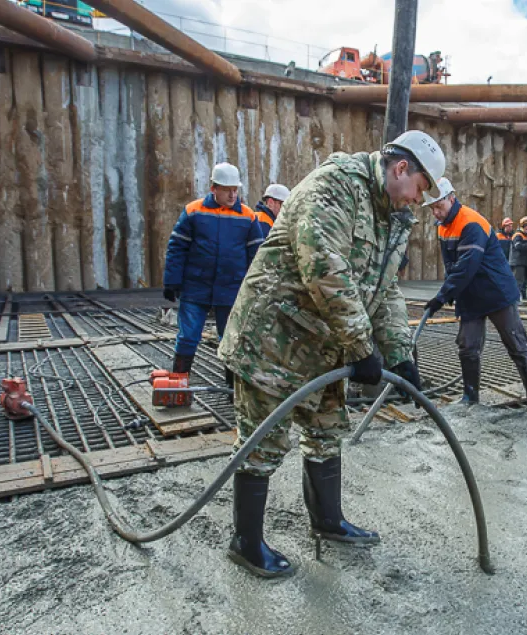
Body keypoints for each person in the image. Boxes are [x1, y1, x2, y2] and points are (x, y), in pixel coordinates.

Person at [217, 129, 444, 578]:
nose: (417, 200)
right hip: (273, 339)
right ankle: (245, 543)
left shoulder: (391, 218)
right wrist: (362, 347)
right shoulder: (337, 185)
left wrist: (399, 354)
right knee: (263, 442)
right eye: (419, 188)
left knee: (325, 433)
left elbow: (386, 289)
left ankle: (327, 521)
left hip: (322, 346)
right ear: (402, 169)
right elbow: (324, 266)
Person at [423, 179, 527, 415]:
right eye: (432, 209)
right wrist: (451, 292)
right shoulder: (442, 226)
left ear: (451, 198)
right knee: (467, 346)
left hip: (495, 291)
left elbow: (467, 266)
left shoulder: (471, 223)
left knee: (516, 344)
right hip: (470, 295)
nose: (436, 213)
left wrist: (442, 296)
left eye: (439, 206)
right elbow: (452, 266)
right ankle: (470, 396)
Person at [162, 162, 264, 396]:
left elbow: (257, 256)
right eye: (227, 189)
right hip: (196, 287)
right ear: (213, 188)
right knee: (188, 336)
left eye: (235, 190)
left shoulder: (247, 217)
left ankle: (232, 390)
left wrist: (256, 287)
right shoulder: (194, 212)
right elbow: (177, 247)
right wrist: (172, 280)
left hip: (230, 289)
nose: (232, 194)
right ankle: (179, 385)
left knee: (231, 340)